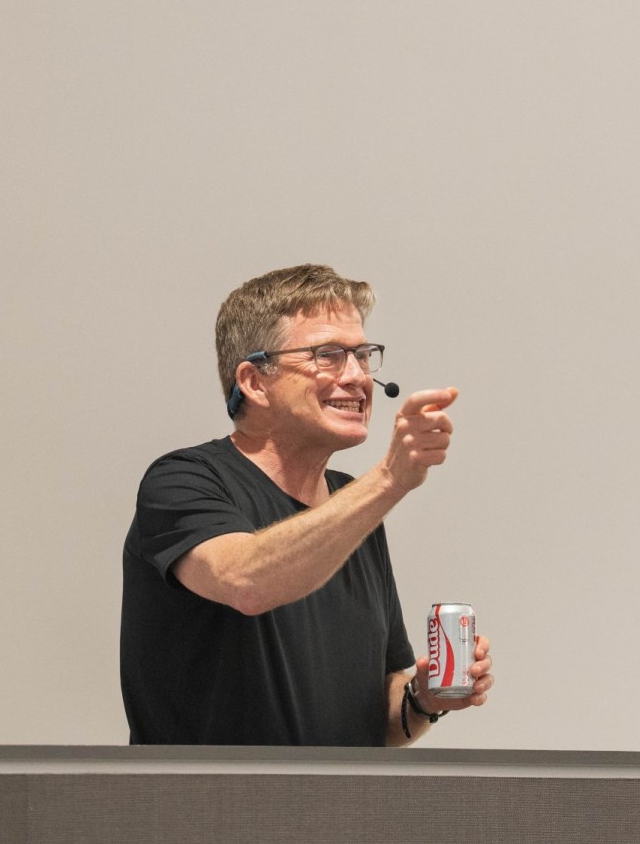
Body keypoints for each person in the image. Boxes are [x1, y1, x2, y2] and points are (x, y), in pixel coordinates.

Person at [120, 264, 495, 745]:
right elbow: (246, 581)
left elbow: (378, 723)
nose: (358, 377)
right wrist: (389, 479)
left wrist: (424, 698)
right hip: (212, 795)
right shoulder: (183, 480)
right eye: (328, 355)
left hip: (335, 796)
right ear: (255, 381)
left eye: (363, 355)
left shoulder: (353, 503)